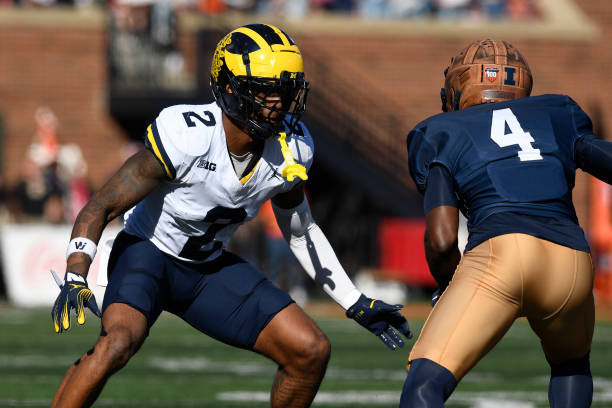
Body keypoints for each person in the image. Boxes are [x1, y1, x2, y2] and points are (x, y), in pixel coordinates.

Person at [49, 23, 412, 408]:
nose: (277, 102)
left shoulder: (292, 147)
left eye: (283, 90)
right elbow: (101, 204)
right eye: (265, 89)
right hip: (148, 254)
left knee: (310, 350)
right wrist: (76, 274)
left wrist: (353, 300)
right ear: (229, 89)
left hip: (208, 269)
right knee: (118, 342)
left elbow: (300, 230)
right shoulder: (189, 135)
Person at [399, 39, 610, 407]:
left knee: (425, 384)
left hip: (502, 254)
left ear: (458, 88)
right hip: (572, 263)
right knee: (571, 366)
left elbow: (442, 238)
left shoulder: (441, 131)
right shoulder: (556, 113)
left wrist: (448, 285)